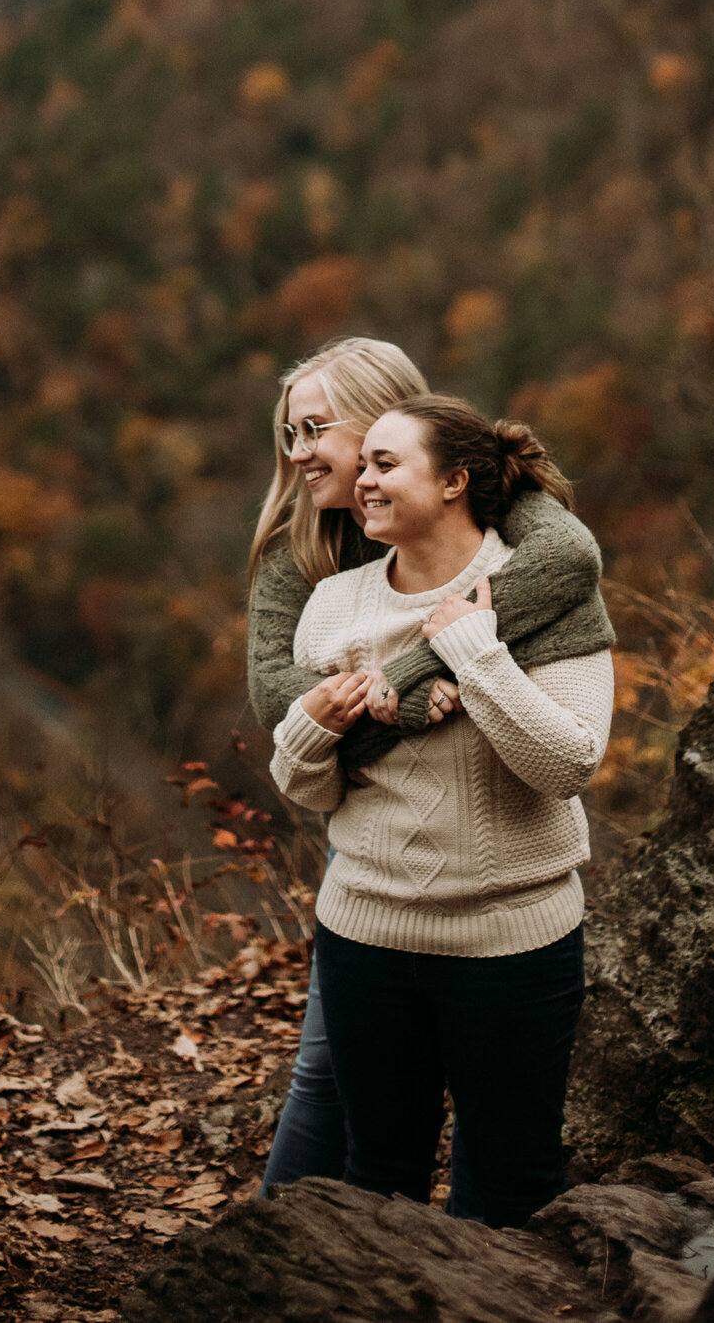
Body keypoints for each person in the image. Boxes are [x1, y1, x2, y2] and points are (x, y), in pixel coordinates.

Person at [247, 340, 613, 1208]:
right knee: (354, 1135)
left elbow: (569, 755)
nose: (300, 453)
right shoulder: (315, 577)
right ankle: (282, 1252)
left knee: (509, 1179)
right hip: (370, 908)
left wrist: (466, 654)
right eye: (289, 434)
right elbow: (288, 730)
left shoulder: (532, 557)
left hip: (511, 929)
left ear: (449, 474)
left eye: (316, 429)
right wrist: (372, 706)